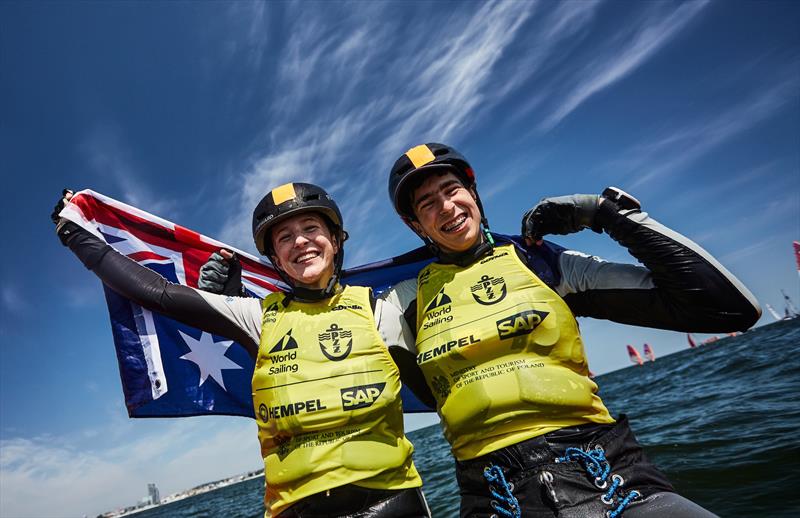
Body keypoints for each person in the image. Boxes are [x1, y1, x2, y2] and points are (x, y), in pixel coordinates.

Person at [383, 143, 761, 518]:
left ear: (473, 193)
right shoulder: (403, 302)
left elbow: (728, 308)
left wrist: (606, 214)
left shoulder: (540, 261)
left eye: (452, 190)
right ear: (415, 224)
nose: (446, 207)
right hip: (494, 496)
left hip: (607, 472)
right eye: (427, 203)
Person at [53, 183, 432, 518]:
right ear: (276, 260)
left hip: (393, 502)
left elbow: (441, 390)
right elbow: (157, 293)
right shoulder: (255, 316)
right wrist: (78, 234)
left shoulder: (383, 309)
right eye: (284, 238)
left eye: (311, 228)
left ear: (335, 241)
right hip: (295, 509)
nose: (299, 241)